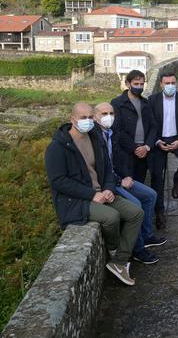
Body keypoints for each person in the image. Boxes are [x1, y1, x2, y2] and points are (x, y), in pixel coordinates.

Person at [46, 102, 144, 286]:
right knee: (111, 217)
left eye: (91, 117)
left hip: (103, 192)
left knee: (135, 213)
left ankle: (119, 262)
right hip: (77, 201)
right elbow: (58, 181)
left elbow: (107, 168)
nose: (88, 121)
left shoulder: (94, 138)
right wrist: (92, 195)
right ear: (72, 120)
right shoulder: (58, 147)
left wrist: (108, 188)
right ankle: (116, 252)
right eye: (83, 118)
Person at [94, 102, 166, 264]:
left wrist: (126, 175)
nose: (109, 117)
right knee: (135, 204)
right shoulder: (95, 137)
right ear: (95, 117)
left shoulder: (112, 133)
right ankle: (138, 248)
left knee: (150, 195)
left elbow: (119, 159)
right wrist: (119, 180)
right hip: (109, 183)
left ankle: (147, 236)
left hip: (119, 178)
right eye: (104, 114)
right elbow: (101, 169)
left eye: (111, 113)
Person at [111, 70, 160, 228]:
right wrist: (134, 148)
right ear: (128, 84)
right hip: (126, 155)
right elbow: (117, 131)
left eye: (141, 84)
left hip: (144, 153)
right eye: (136, 84)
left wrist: (147, 146)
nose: (139, 87)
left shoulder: (145, 104)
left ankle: (143, 231)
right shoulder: (117, 103)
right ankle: (132, 229)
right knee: (130, 192)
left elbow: (153, 126)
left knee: (141, 188)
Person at [150, 72, 178, 204]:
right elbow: (150, 123)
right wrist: (157, 141)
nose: (170, 86)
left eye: (173, 83)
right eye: (167, 83)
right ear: (161, 84)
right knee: (157, 175)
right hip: (159, 138)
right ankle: (159, 212)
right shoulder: (152, 100)